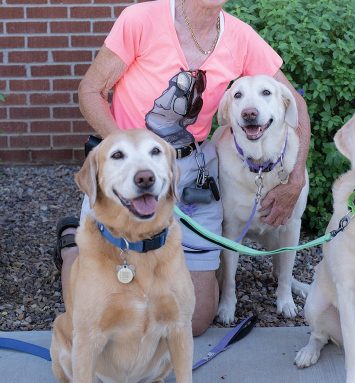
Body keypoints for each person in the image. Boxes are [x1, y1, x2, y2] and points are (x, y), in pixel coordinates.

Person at [54, 0, 310, 336]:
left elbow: (296, 103)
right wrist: (130, 151)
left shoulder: (241, 37)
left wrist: (295, 179)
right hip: (131, 166)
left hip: (190, 173)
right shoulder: (141, 20)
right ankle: (73, 239)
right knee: (88, 311)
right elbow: (90, 90)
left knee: (196, 319)